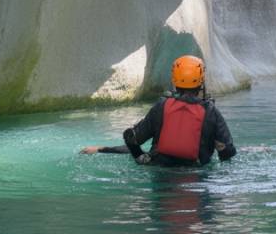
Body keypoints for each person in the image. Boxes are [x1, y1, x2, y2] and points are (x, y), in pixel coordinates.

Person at [80, 55, 237, 166]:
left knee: (141, 150)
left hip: (159, 169)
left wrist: (101, 149)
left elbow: (134, 140)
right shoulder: (210, 111)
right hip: (195, 174)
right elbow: (228, 153)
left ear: (174, 80)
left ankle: (142, 159)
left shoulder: (162, 106)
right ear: (201, 81)